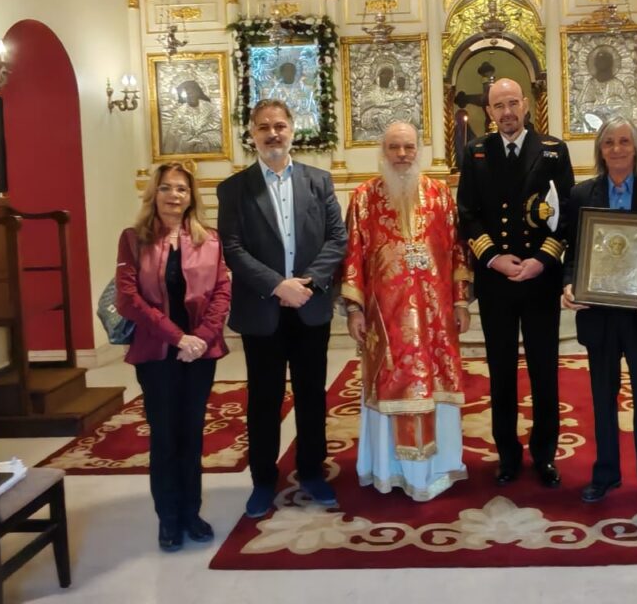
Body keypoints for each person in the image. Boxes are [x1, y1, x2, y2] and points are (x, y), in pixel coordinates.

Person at [216, 98, 348, 518]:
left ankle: (311, 472)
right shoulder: (234, 189)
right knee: (264, 399)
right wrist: (277, 285)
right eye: (263, 127)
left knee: (311, 395)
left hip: (309, 304)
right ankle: (262, 480)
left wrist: (307, 283)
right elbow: (232, 248)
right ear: (251, 134)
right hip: (263, 309)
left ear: (292, 129)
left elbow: (337, 238)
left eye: (279, 126)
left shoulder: (319, 181)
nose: (273, 134)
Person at [342, 122, 471, 500]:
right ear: (383, 151)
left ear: (419, 150)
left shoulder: (440, 194)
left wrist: (460, 301)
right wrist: (354, 309)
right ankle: (389, 470)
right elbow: (352, 257)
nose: (402, 154)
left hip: (435, 319)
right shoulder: (364, 197)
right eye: (394, 147)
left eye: (408, 147)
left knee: (436, 389)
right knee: (389, 387)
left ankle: (437, 469)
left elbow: (457, 251)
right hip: (386, 318)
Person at [456, 78, 574, 488]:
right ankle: (507, 454)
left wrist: (543, 260)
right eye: (498, 106)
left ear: (525, 105)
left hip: (540, 278)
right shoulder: (476, 152)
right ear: (488, 112)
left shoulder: (553, 150)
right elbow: (467, 214)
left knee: (544, 370)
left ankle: (544, 454)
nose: (506, 112)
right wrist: (493, 258)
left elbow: (567, 211)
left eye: (512, 103)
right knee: (501, 370)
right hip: (498, 281)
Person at [561, 117, 637, 514]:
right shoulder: (582, 193)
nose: (617, 149)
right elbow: (573, 252)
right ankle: (606, 473)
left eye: (624, 141)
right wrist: (568, 284)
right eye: (609, 142)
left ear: (636, 147)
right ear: (600, 150)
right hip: (600, 314)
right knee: (602, 399)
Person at [115, 162, 231, 552]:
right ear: (154, 193)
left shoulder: (210, 239)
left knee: (192, 433)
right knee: (165, 435)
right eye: (166, 188)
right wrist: (177, 337)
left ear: (191, 196)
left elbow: (221, 292)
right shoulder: (133, 239)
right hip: (157, 352)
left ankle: (191, 513)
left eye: (181, 189)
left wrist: (201, 338)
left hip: (199, 352)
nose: (174, 195)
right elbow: (128, 299)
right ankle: (168, 517)